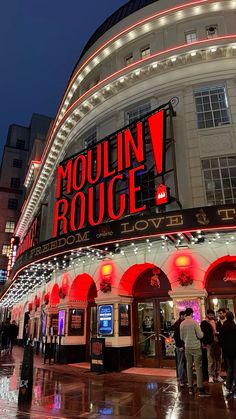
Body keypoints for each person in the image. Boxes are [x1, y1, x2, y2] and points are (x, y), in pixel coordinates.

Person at [180, 307, 210, 396]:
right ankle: (200, 388)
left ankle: (190, 387)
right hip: (196, 347)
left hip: (187, 347)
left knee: (189, 366)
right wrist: (203, 333)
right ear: (191, 313)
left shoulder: (182, 324)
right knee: (198, 367)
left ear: (185, 314)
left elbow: (181, 337)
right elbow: (200, 335)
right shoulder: (194, 322)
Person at [201, 309, 223, 383]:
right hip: (209, 343)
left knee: (218, 360)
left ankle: (217, 375)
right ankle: (211, 376)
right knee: (210, 360)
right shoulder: (204, 323)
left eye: (212, 315)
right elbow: (202, 334)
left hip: (217, 343)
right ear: (207, 315)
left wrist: (218, 333)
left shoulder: (217, 322)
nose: (211, 316)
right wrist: (204, 343)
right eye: (210, 315)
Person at [219, 311, 236, 397]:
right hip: (235, 351)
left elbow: (220, 340)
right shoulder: (234, 326)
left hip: (227, 351)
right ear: (233, 317)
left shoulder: (223, 327)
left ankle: (228, 387)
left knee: (229, 369)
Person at [173, 311, 186, 386]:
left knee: (181, 362)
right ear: (181, 316)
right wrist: (180, 345)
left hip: (181, 345)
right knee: (181, 362)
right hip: (180, 346)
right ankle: (182, 380)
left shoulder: (179, 323)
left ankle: (182, 378)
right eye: (184, 316)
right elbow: (176, 336)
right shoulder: (178, 324)